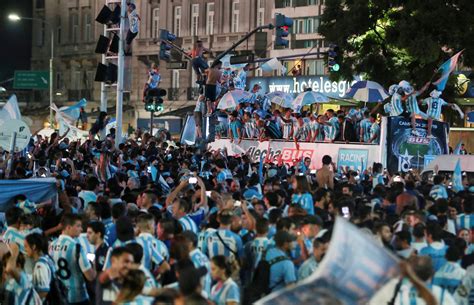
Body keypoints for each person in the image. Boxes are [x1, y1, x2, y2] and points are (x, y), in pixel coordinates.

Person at [49, 214, 96, 305]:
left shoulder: (51, 245)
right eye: (78, 226)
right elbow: (90, 276)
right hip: (77, 297)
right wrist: (94, 264)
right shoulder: (76, 247)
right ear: (68, 227)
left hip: (58, 296)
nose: (81, 229)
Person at [24, 233, 56, 302]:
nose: (25, 249)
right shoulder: (47, 258)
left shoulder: (40, 265)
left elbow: (43, 291)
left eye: (26, 246)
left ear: (33, 247)